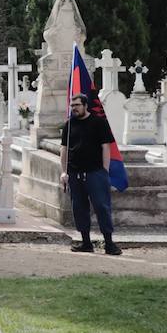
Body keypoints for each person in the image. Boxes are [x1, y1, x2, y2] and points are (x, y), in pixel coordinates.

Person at [59, 93, 121, 255]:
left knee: (101, 207)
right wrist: (64, 172)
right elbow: (64, 149)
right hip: (75, 173)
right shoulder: (69, 125)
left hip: (95, 172)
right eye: (72, 106)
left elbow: (105, 147)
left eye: (77, 105)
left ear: (85, 105)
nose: (74, 108)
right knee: (79, 208)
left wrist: (105, 171)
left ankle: (109, 243)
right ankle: (86, 242)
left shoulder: (98, 123)